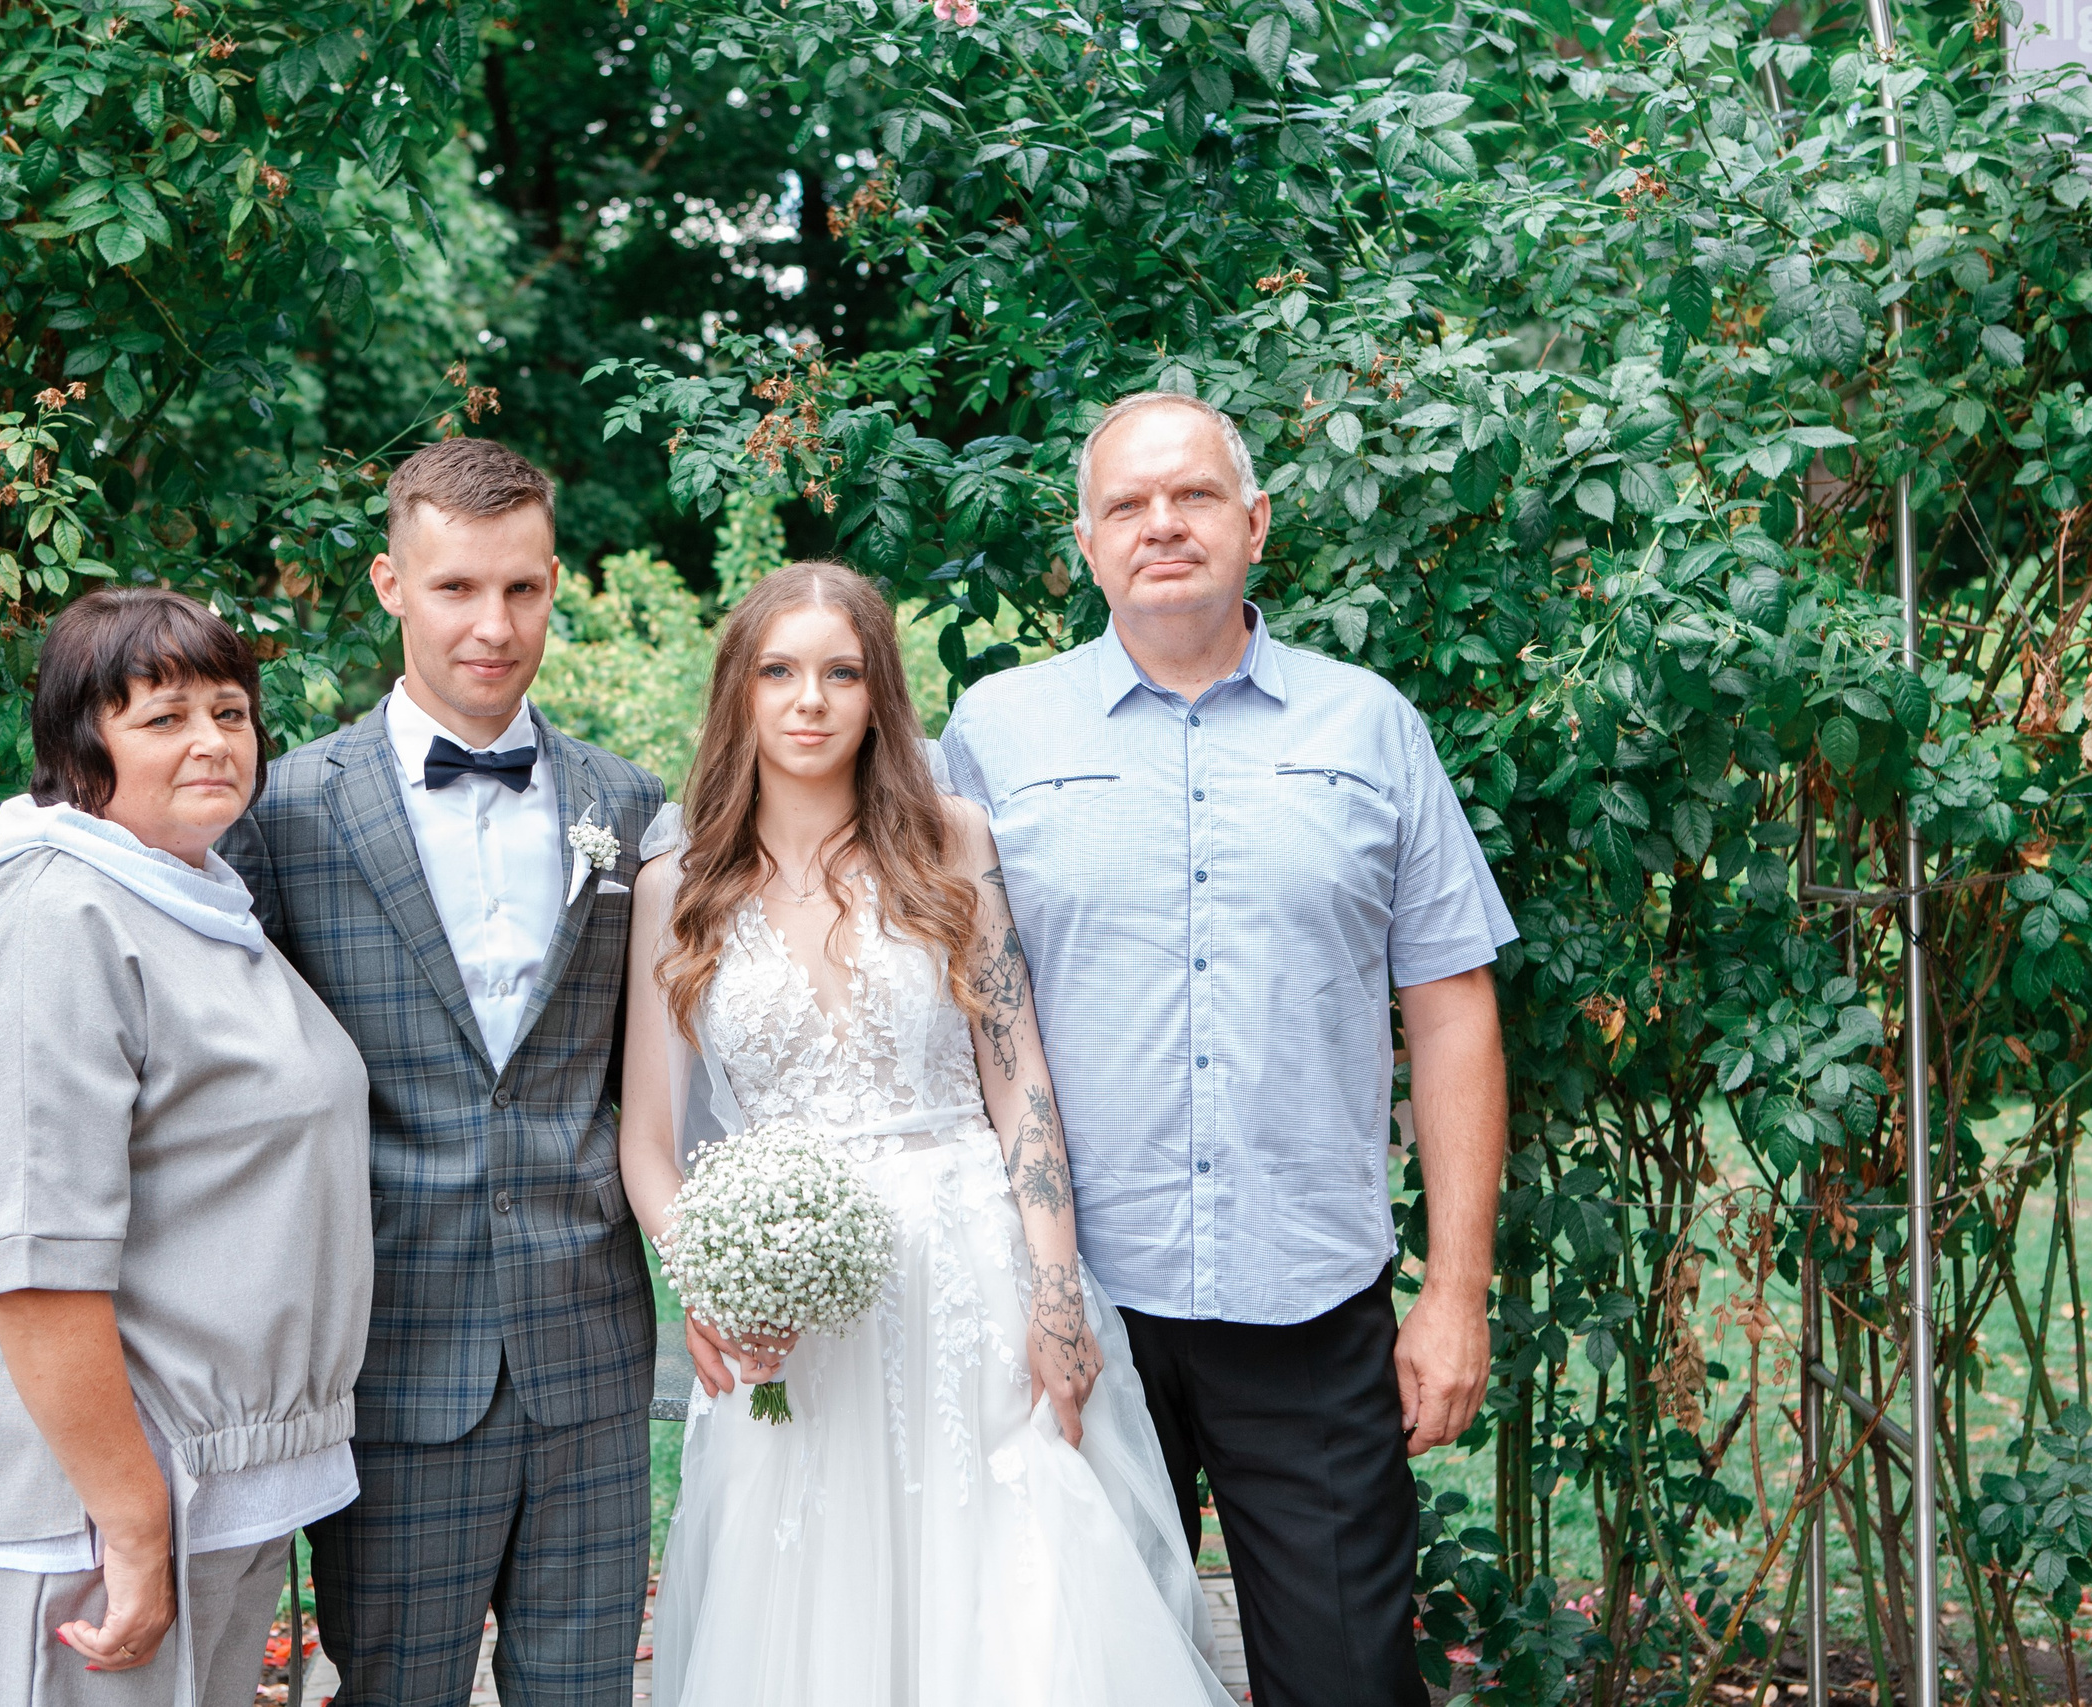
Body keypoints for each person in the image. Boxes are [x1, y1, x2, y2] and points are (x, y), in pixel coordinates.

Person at [940, 390, 1516, 1707]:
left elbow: (1450, 1003)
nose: (1162, 525)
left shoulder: (1369, 727)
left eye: (1193, 495)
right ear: (1086, 545)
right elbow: (939, 1000)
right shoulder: (996, 732)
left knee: (1349, 1678)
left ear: (1253, 523)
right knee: (1081, 1676)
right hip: (1071, 1301)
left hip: (1305, 1297)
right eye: (1128, 505)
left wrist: (1456, 1287)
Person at [619, 561, 1232, 1707]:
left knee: (1021, 1607)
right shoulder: (681, 884)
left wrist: (1055, 1293)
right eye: (780, 672)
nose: (810, 700)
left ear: (877, 692)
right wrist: (709, 1279)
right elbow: (648, 1144)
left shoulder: (951, 843)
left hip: (972, 1285)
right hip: (790, 1320)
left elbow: (1020, 1086)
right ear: (739, 693)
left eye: (841, 673)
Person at [218, 437, 667, 1706]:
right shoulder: (287, 812)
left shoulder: (627, 809)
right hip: (396, 1353)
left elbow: (654, 1073)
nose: (493, 624)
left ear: (554, 583)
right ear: (389, 584)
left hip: (588, 1348)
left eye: (521, 588)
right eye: (458, 587)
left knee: (583, 1691)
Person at [0, 588, 374, 1707]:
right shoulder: (54, 929)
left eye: (229, 710)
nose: (212, 740)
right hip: (93, 1510)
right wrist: (131, 1521)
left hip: (214, 1482)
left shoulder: (195, 907)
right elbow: (35, 1270)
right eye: (163, 718)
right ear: (81, 747)